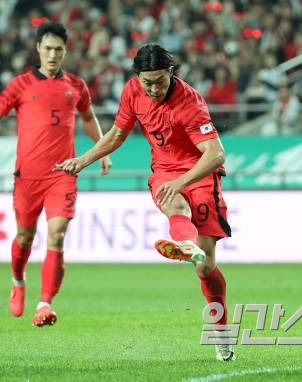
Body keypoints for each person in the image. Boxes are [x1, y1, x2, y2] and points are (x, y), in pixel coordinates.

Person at [54, 43, 235, 361]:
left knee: (207, 267)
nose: (152, 88)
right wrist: (83, 159)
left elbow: (216, 153)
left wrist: (183, 180)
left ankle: (221, 332)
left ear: (171, 73)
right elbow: (116, 134)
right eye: (146, 81)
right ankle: (185, 244)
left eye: (159, 81)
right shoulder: (132, 91)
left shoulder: (190, 103)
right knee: (174, 205)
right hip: (165, 171)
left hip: (200, 174)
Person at [0, 21, 111, 326]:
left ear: (65, 51)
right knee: (24, 237)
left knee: (57, 235)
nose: (52, 54)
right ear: (38, 48)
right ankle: (18, 280)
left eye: (58, 49)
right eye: (47, 48)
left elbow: (88, 116)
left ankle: (44, 304)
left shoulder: (76, 85)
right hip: (27, 176)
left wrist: (102, 150)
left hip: (63, 173)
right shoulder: (20, 85)